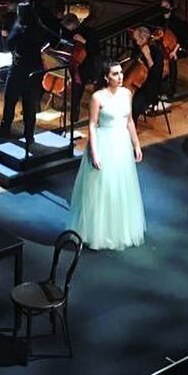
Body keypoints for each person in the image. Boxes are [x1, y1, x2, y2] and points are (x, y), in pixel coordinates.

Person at [69, 61, 145, 251]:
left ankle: (118, 230)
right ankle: (98, 232)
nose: (120, 77)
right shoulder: (97, 97)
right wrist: (94, 152)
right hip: (104, 144)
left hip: (121, 145)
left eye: (120, 73)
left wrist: (136, 144)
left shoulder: (127, 94)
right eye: (115, 74)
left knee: (120, 187)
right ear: (106, 77)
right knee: (102, 189)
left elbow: (129, 122)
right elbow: (92, 125)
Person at [0, 0, 55, 150]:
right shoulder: (39, 27)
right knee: (30, 105)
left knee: (10, 100)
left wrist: (4, 36)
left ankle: (5, 129)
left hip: (18, 70)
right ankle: (29, 136)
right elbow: (55, 38)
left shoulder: (18, 28)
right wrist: (43, 50)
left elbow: (9, 45)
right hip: (36, 72)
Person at [128, 25, 164, 121]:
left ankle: (131, 132)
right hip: (136, 85)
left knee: (133, 106)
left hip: (150, 88)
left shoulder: (157, 52)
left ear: (143, 38)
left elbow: (156, 74)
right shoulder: (137, 49)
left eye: (136, 40)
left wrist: (148, 57)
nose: (135, 42)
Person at [157, 0, 188, 98]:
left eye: (166, 6)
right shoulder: (160, 20)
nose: (163, 8)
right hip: (163, 47)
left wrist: (174, 51)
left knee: (172, 61)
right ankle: (158, 87)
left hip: (175, 48)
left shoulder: (176, 22)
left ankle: (171, 89)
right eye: (162, 6)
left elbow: (181, 39)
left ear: (171, 8)